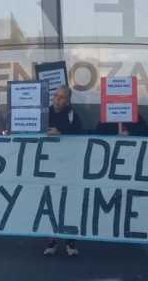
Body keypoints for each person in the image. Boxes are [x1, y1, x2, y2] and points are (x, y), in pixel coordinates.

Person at [44, 85, 82, 257]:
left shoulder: (73, 115)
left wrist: (61, 133)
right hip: (48, 166)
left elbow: (81, 135)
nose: (58, 100)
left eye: (62, 98)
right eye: (56, 96)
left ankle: (70, 242)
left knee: (68, 204)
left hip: (68, 167)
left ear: (68, 100)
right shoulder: (45, 113)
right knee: (49, 203)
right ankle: (52, 241)